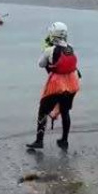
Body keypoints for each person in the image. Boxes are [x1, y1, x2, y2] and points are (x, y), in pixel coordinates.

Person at [27, 22, 80, 151]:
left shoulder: (49, 50)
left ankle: (39, 141)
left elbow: (41, 64)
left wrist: (46, 51)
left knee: (43, 111)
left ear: (52, 34)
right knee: (65, 111)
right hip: (72, 83)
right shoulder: (71, 48)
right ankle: (64, 140)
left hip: (56, 85)